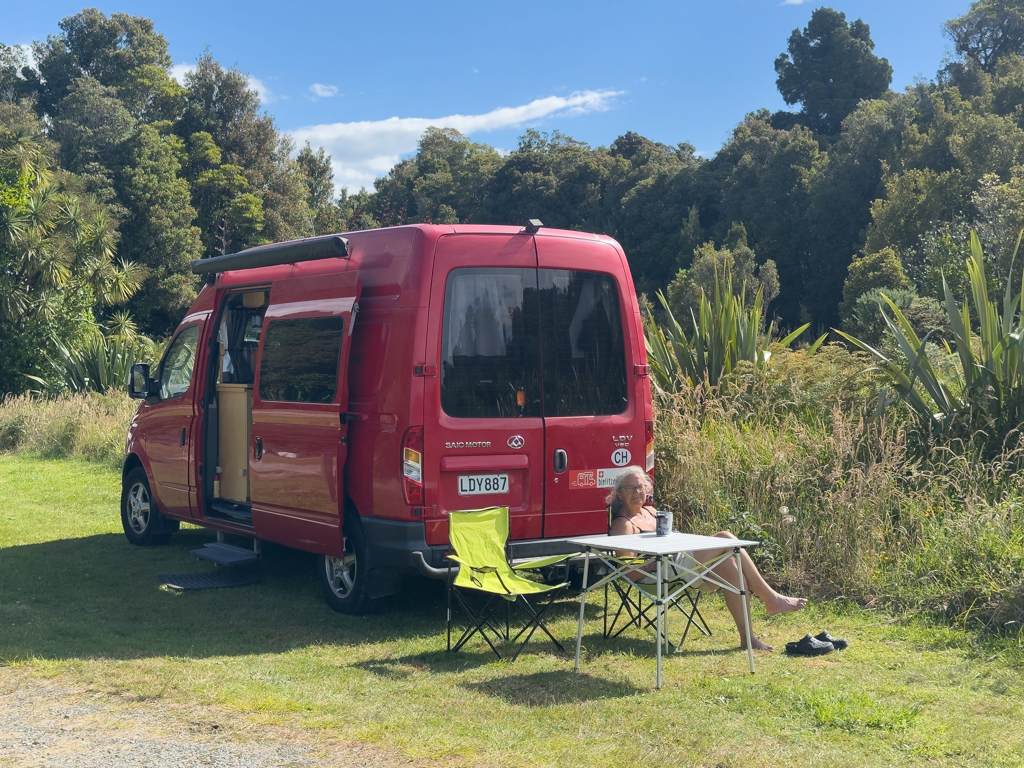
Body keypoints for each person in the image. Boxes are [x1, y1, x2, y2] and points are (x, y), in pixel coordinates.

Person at [606, 466, 806, 652]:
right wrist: (652, 563)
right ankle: (771, 599)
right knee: (726, 538)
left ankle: (748, 639)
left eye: (640, 486)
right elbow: (627, 572)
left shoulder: (651, 512)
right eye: (630, 488)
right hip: (659, 573)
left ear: (647, 489)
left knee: (730, 566)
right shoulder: (623, 525)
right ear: (619, 494)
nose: (636, 492)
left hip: (678, 561)